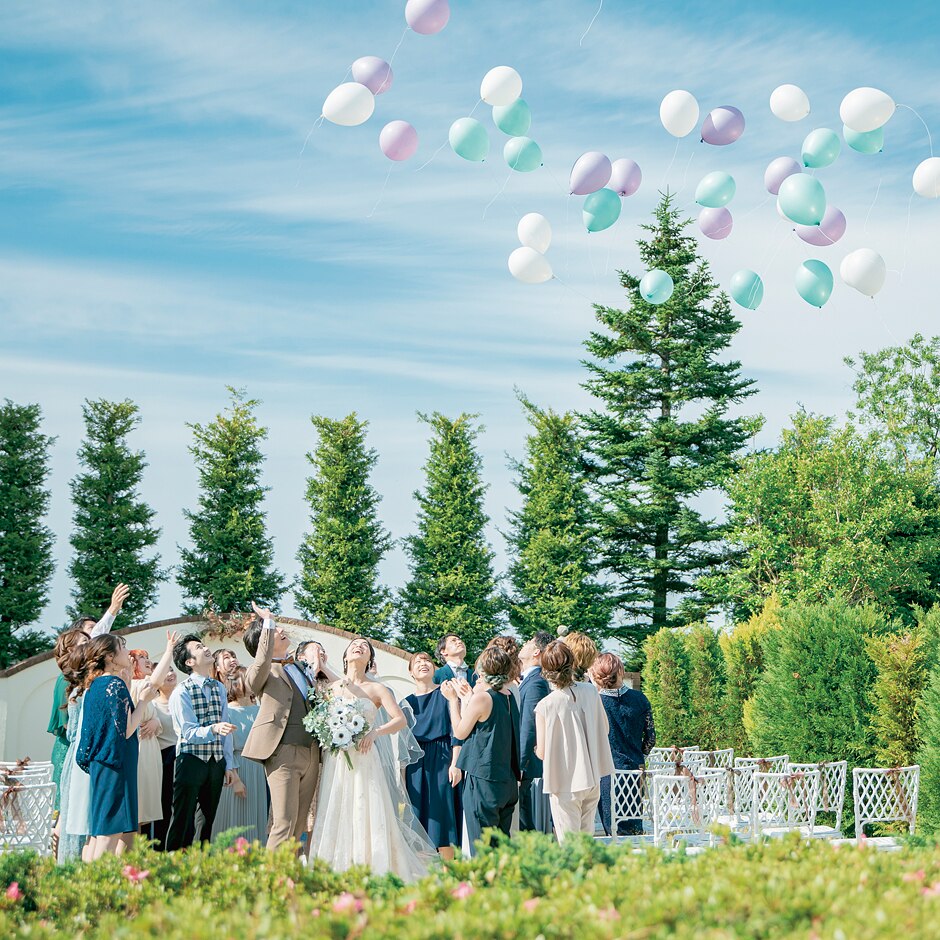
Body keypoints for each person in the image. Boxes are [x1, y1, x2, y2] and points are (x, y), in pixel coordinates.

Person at [309, 637, 434, 881]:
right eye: (354, 644)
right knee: (337, 806)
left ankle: (374, 865)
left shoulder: (378, 689)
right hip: (338, 759)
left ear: (370, 660)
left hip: (366, 756)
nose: (359, 646)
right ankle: (335, 869)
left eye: (365, 646)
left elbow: (400, 720)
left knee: (366, 807)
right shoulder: (333, 689)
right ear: (345, 656)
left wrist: (375, 732)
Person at [242, 604, 333, 852]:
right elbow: (260, 665)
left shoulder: (299, 668)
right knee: (283, 822)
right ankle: (270, 885)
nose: (281, 630)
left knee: (299, 826)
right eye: (274, 630)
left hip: (311, 753)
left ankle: (289, 883)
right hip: (281, 752)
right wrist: (267, 623)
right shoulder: (260, 671)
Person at [76, 634, 159, 859]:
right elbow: (128, 729)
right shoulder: (114, 685)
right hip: (116, 764)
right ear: (110, 657)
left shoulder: (95, 685)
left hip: (103, 764)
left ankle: (90, 886)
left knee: (100, 831)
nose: (127, 651)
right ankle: (95, 890)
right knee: (108, 833)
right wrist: (144, 699)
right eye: (122, 647)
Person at [48, 583, 130, 807]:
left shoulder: (93, 682)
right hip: (71, 752)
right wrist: (112, 609)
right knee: (64, 815)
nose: (94, 642)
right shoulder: (66, 682)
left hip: (86, 752)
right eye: (87, 638)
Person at [443, 646, 520, 854]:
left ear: (482, 669)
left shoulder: (484, 698)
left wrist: (453, 701)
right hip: (508, 781)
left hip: (485, 781)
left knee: (482, 850)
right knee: (501, 849)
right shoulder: (508, 695)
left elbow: (459, 732)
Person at [535, 641, 614, 843]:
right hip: (592, 775)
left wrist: (536, 748)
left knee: (569, 844)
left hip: (564, 781)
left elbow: (543, 752)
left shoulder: (546, 705)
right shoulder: (590, 691)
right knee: (586, 841)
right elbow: (604, 729)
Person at [165, 634, 237, 850]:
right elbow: (187, 731)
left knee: (206, 821)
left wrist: (229, 764)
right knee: (182, 819)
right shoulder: (181, 691)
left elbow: (226, 727)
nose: (206, 648)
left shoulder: (219, 688)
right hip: (190, 760)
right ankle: (173, 866)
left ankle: (200, 869)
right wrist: (213, 728)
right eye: (199, 647)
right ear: (189, 662)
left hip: (216, 762)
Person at [589, 652, 656, 836]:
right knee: (634, 827)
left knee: (612, 829)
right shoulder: (640, 699)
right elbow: (650, 739)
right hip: (634, 771)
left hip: (606, 772)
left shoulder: (596, 702)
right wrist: (639, 755)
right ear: (621, 671)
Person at [402, 651, 461, 859]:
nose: (423, 663)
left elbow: (457, 731)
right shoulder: (406, 703)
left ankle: (450, 875)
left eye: (427, 660)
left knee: (443, 820)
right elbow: (403, 743)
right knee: (419, 821)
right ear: (410, 672)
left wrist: (456, 762)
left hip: (443, 759)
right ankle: (424, 878)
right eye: (417, 662)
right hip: (416, 766)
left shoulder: (446, 693)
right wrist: (402, 777)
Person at [207, 668, 266, 842]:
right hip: (236, 767)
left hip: (258, 768)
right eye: (244, 679)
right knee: (232, 817)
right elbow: (226, 748)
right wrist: (236, 779)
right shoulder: (228, 712)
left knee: (257, 816)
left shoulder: (260, 709)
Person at [128, 636, 178, 837]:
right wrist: (168, 651)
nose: (148, 661)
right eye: (142, 658)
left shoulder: (145, 689)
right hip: (140, 750)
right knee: (139, 810)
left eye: (148, 657)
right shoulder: (135, 685)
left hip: (151, 752)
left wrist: (156, 722)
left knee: (147, 812)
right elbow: (156, 681)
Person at [517, 631, 553, 832]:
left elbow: (529, 726)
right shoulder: (528, 680)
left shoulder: (537, 682)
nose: (524, 643)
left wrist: (521, 762)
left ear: (536, 652)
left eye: (529, 642)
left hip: (528, 764)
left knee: (527, 817)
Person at [150, 667, 179, 850]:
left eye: (171, 670)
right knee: (165, 808)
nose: (170, 674)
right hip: (164, 760)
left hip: (184, 756)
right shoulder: (152, 705)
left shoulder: (183, 698)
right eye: (165, 672)